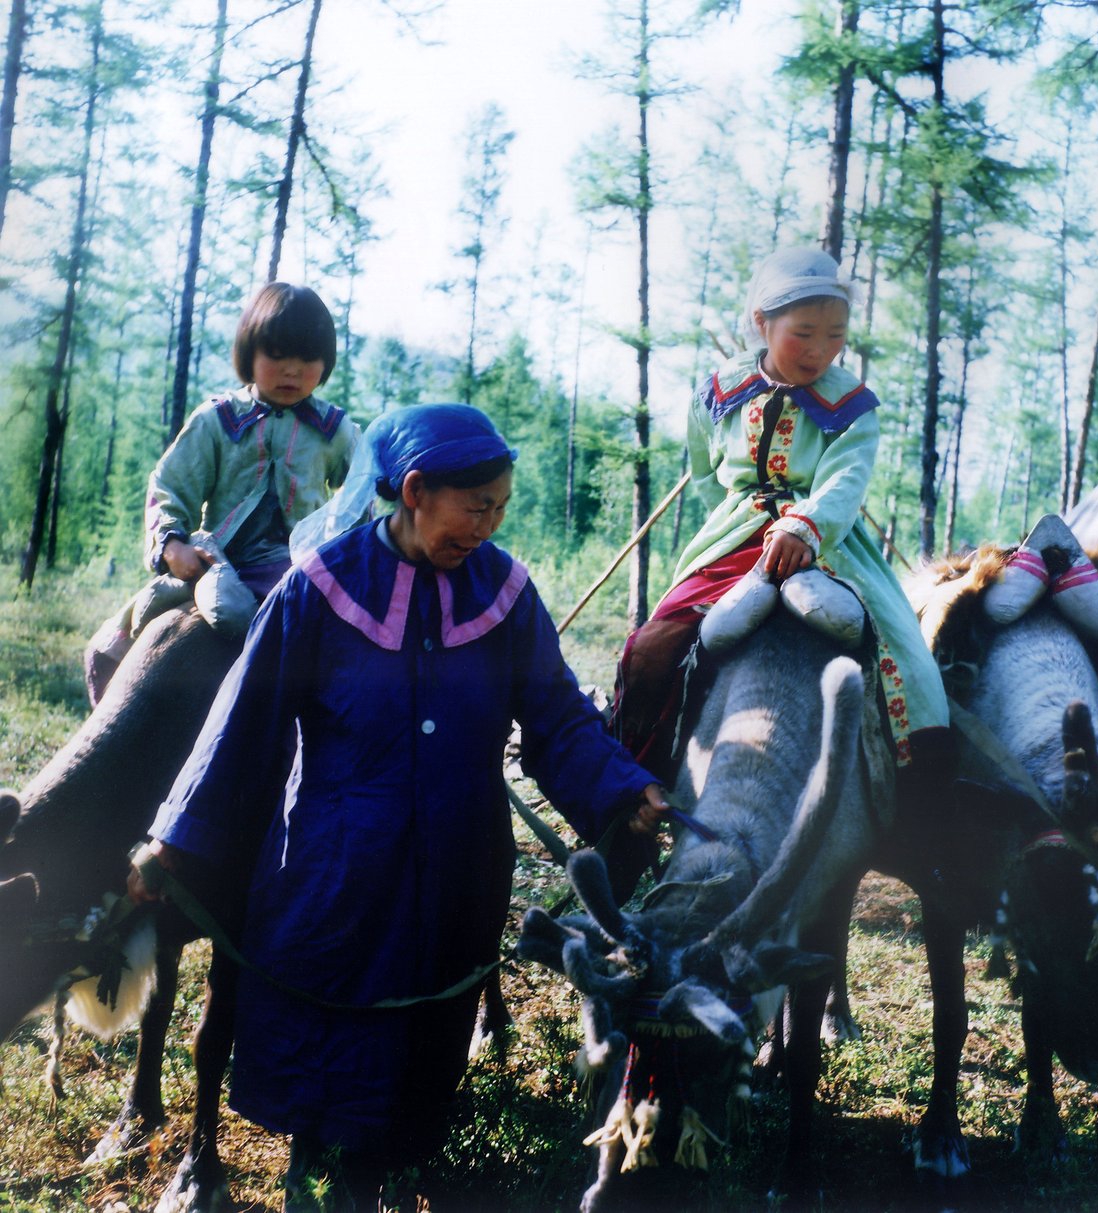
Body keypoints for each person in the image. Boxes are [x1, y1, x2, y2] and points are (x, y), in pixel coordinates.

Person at [127, 404, 669, 1211]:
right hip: (336, 863)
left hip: (459, 864)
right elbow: (244, 725)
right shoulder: (317, 590)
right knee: (330, 1042)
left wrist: (625, 789)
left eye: (501, 508)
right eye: (474, 506)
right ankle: (316, 1172)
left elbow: (557, 719)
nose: (488, 525)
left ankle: (387, 1166)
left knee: (423, 1044)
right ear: (414, 491)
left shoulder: (507, 594)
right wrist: (175, 837)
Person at [614, 244, 951, 791]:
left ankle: (921, 798)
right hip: (736, 537)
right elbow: (705, 472)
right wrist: (732, 520)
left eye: (836, 335)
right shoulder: (720, 393)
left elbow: (845, 479)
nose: (820, 350)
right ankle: (633, 788)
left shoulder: (853, 406)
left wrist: (806, 525)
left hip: (827, 541)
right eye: (804, 332)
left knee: (906, 654)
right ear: (762, 323)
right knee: (651, 646)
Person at [84, 282, 359, 704]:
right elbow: (170, 483)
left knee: (350, 649)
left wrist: (351, 549)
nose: (292, 370)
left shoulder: (334, 430)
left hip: (302, 567)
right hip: (219, 560)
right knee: (145, 617)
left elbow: (360, 492)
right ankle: (116, 687)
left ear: (326, 363)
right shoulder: (217, 421)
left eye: (307, 358)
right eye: (278, 355)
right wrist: (172, 541)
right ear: (250, 353)